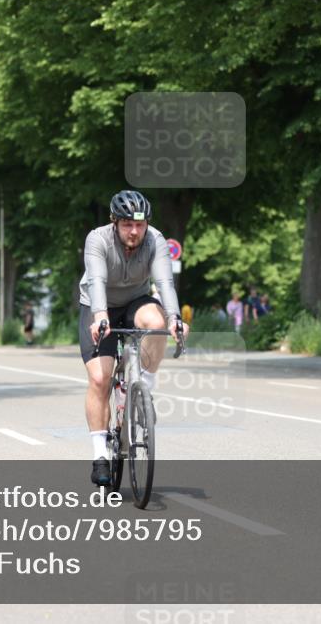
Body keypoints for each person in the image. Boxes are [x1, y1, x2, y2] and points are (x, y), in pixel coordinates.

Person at [78, 190, 186, 487]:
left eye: (140, 225)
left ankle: (143, 387)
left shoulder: (155, 240)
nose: (134, 231)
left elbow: (164, 282)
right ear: (115, 222)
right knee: (100, 379)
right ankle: (100, 454)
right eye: (127, 224)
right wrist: (100, 316)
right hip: (99, 305)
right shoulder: (97, 239)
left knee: (157, 321)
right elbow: (97, 280)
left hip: (136, 301)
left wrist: (175, 318)